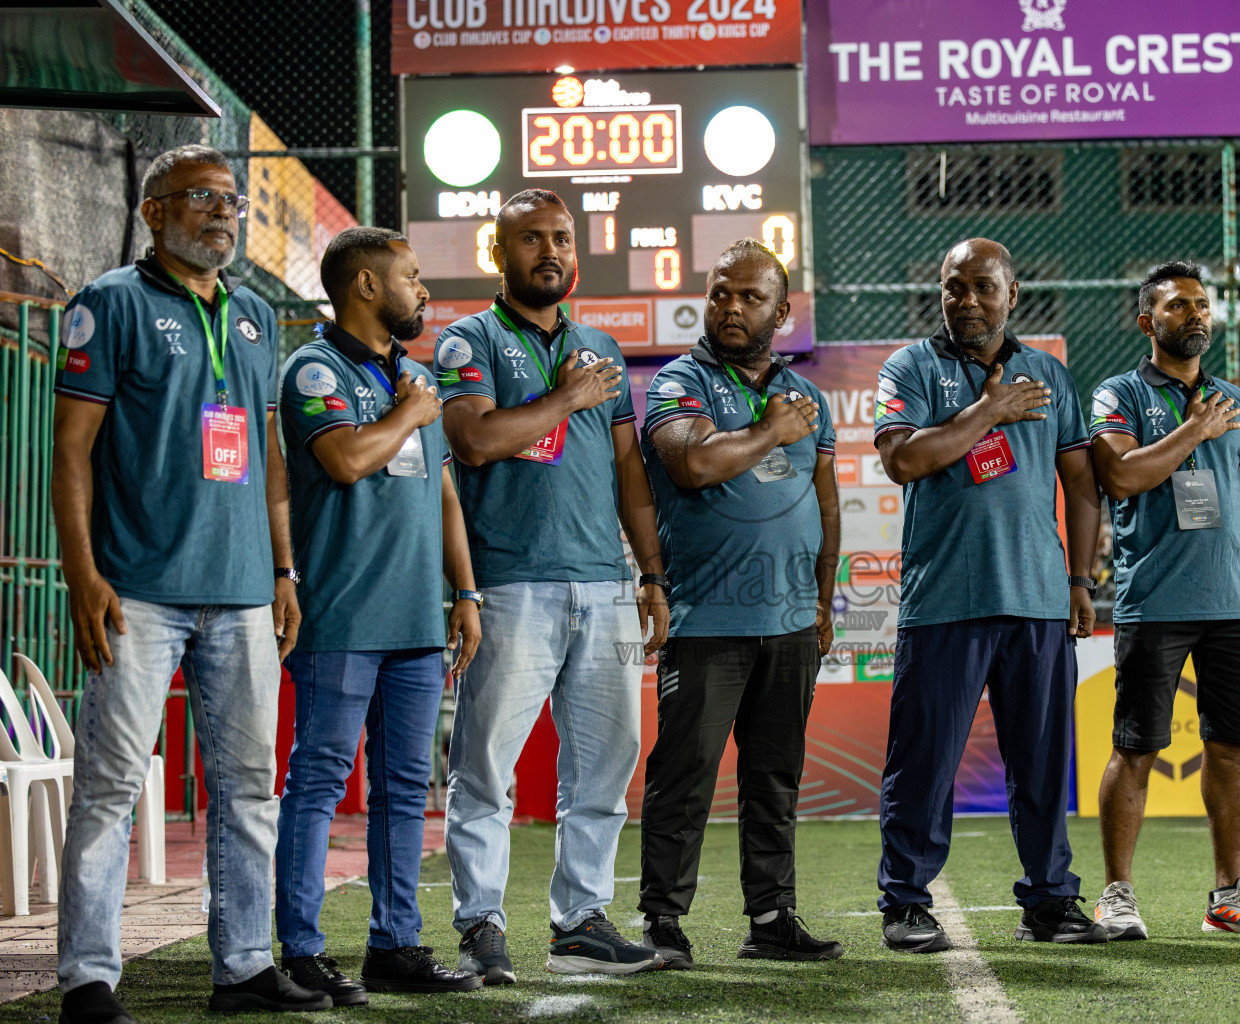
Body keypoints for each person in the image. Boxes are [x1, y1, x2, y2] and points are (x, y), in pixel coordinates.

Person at [52, 145, 328, 1022]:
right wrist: (82, 571)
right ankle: (88, 980)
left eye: (232, 200)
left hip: (246, 593)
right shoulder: (109, 304)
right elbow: (70, 450)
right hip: (135, 588)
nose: (221, 212)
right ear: (153, 211)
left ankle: (244, 968)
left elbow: (271, 461)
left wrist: (283, 570)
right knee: (110, 788)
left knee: (250, 786)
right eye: (201, 198)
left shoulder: (253, 315)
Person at [436, 188, 670, 978]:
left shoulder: (600, 345)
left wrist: (651, 572)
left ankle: (581, 920)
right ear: (497, 253)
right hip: (508, 585)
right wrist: (566, 396)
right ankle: (480, 926)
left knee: (606, 763)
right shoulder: (468, 340)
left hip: (604, 585)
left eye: (562, 240)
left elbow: (630, 470)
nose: (550, 253)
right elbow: (472, 441)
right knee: (485, 768)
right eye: (531, 239)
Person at [872, 237, 1104, 951]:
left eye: (982, 287)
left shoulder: (1050, 375)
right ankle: (906, 903)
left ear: (1011, 295)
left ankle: (1051, 902)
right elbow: (904, 458)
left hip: (1037, 600)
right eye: (953, 286)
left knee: (1041, 765)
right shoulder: (910, 365)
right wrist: (988, 413)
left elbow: (1082, 484)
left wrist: (1081, 580)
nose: (966, 300)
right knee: (924, 763)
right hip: (944, 598)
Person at [273, 227, 483, 1001]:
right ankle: (299, 948)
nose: (424, 292)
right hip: (342, 617)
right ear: (366, 286)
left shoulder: (416, 381)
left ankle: (394, 944)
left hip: (419, 626)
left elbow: (445, 497)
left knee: (402, 789)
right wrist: (412, 414)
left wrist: (464, 593)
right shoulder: (313, 368)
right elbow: (346, 459)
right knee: (320, 780)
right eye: (413, 278)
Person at [636, 239, 844, 968]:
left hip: (790, 620)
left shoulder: (807, 396)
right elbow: (691, 463)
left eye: (749, 297)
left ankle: (772, 916)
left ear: (781, 312)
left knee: (774, 776)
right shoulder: (678, 381)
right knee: (684, 775)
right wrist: (769, 431)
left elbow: (824, 500)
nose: (730, 306)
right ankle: (662, 920)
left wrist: (824, 598)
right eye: (721, 292)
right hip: (705, 619)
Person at [1087, 261, 1240, 940]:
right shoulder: (1118, 394)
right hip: (1156, 600)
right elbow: (1119, 475)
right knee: (1136, 748)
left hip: (1235, 600)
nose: (1196, 315)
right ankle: (1117, 895)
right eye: (1178, 306)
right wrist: (1194, 433)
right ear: (1147, 321)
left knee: (1231, 749)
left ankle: (1230, 895)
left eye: (1203, 305)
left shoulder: (1234, 399)